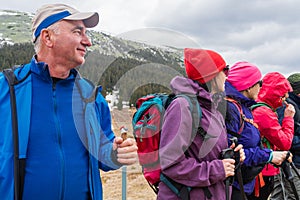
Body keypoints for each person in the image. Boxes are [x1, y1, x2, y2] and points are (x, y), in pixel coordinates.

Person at [0, 4, 137, 200]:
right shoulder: (7, 90)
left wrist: (116, 153)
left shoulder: (90, 96)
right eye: (77, 31)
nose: (87, 41)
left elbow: (103, 151)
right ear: (48, 37)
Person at [157, 48, 245, 200]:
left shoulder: (212, 107)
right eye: (225, 70)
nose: (227, 76)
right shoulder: (182, 106)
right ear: (211, 75)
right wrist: (217, 169)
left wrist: (232, 154)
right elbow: (170, 163)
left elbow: (205, 150)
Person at [224, 62, 289, 200]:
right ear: (248, 86)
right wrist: (269, 156)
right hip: (234, 186)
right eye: (259, 82)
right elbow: (230, 153)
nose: (261, 87)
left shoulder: (245, 107)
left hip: (245, 182)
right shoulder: (231, 110)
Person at [252, 72, 295, 200]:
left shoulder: (260, 107)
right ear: (275, 94)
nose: (285, 98)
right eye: (283, 95)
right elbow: (285, 143)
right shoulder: (264, 112)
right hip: (263, 171)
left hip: (262, 167)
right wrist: (288, 118)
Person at [270, 73, 300, 200]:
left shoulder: (294, 104)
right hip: (291, 161)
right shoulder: (287, 106)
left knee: (279, 195)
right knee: (295, 195)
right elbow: (281, 136)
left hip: (289, 160)